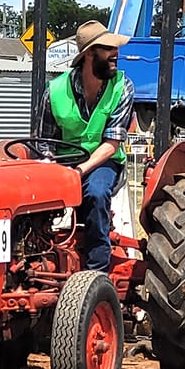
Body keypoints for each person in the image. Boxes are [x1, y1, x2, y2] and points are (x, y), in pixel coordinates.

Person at [37, 20, 135, 272]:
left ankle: (96, 272)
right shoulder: (55, 91)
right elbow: (45, 142)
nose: (116, 53)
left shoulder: (122, 87)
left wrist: (80, 171)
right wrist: (50, 170)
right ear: (89, 54)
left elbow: (112, 143)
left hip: (104, 160)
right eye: (108, 48)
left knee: (96, 192)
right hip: (63, 161)